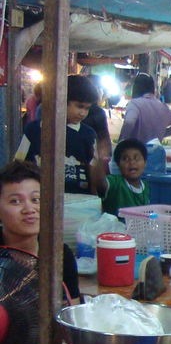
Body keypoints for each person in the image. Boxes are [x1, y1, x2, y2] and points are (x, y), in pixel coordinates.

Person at [0, 160, 80, 302]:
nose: (29, 209)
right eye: (15, 201)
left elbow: (72, 311)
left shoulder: (60, 255)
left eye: (36, 199)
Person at [16, 74, 100, 195]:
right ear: (62, 101)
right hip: (39, 198)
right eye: (79, 106)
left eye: (87, 108)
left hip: (79, 201)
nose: (83, 113)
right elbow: (19, 164)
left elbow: (92, 171)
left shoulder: (89, 135)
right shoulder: (34, 130)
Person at [119, 73, 171, 143]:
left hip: (137, 150)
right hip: (156, 151)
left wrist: (121, 141)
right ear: (153, 89)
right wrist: (163, 133)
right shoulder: (162, 107)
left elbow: (129, 122)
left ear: (135, 88)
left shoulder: (134, 104)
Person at [91, 138, 149, 217]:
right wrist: (100, 158)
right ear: (118, 165)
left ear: (145, 162)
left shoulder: (148, 187)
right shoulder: (115, 182)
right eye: (125, 159)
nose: (131, 162)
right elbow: (99, 182)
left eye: (136, 158)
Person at [82, 74, 113, 174]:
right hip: (91, 161)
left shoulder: (97, 112)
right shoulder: (97, 112)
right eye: (99, 88)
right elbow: (104, 139)